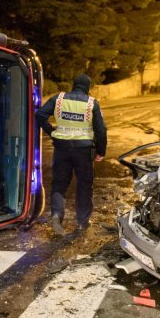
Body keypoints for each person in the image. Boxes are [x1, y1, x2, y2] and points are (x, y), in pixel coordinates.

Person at [35, 73, 107, 235]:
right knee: (84, 185)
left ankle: (56, 215)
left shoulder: (58, 99)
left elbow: (40, 114)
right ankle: (82, 222)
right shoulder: (91, 104)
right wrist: (101, 151)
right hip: (83, 150)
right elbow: (101, 130)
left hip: (62, 148)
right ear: (87, 88)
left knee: (59, 183)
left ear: (73, 85)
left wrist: (51, 131)